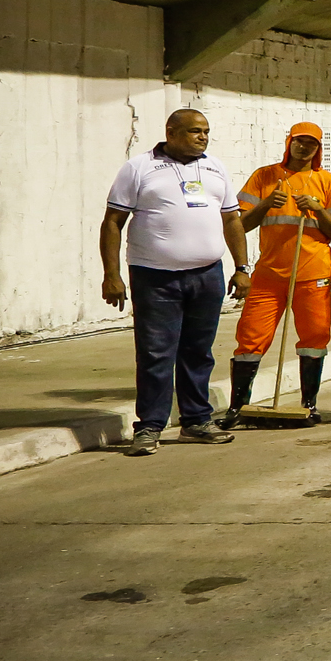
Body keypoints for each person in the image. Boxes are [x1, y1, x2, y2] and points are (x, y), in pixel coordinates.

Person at [101, 109, 246, 455]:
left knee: (198, 352)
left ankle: (196, 421)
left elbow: (232, 220)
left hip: (207, 274)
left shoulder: (215, 167)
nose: (203, 137)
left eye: (207, 131)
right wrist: (111, 274)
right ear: (171, 131)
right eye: (195, 131)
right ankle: (150, 426)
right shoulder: (139, 167)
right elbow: (112, 222)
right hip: (155, 276)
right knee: (155, 353)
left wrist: (242, 267)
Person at [222, 123, 331, 426]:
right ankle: (238, 407)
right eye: (298, 141)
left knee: (314, 337)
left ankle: (309, 404)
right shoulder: (265, 176)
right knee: (251, 337)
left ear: (318, 149)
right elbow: (241, 224)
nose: (303, 147)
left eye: (311, 143)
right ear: (288, 142)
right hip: (269, 274)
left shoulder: (327, 181)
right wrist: (267, 204)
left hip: (313, 273)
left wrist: (319, 211)